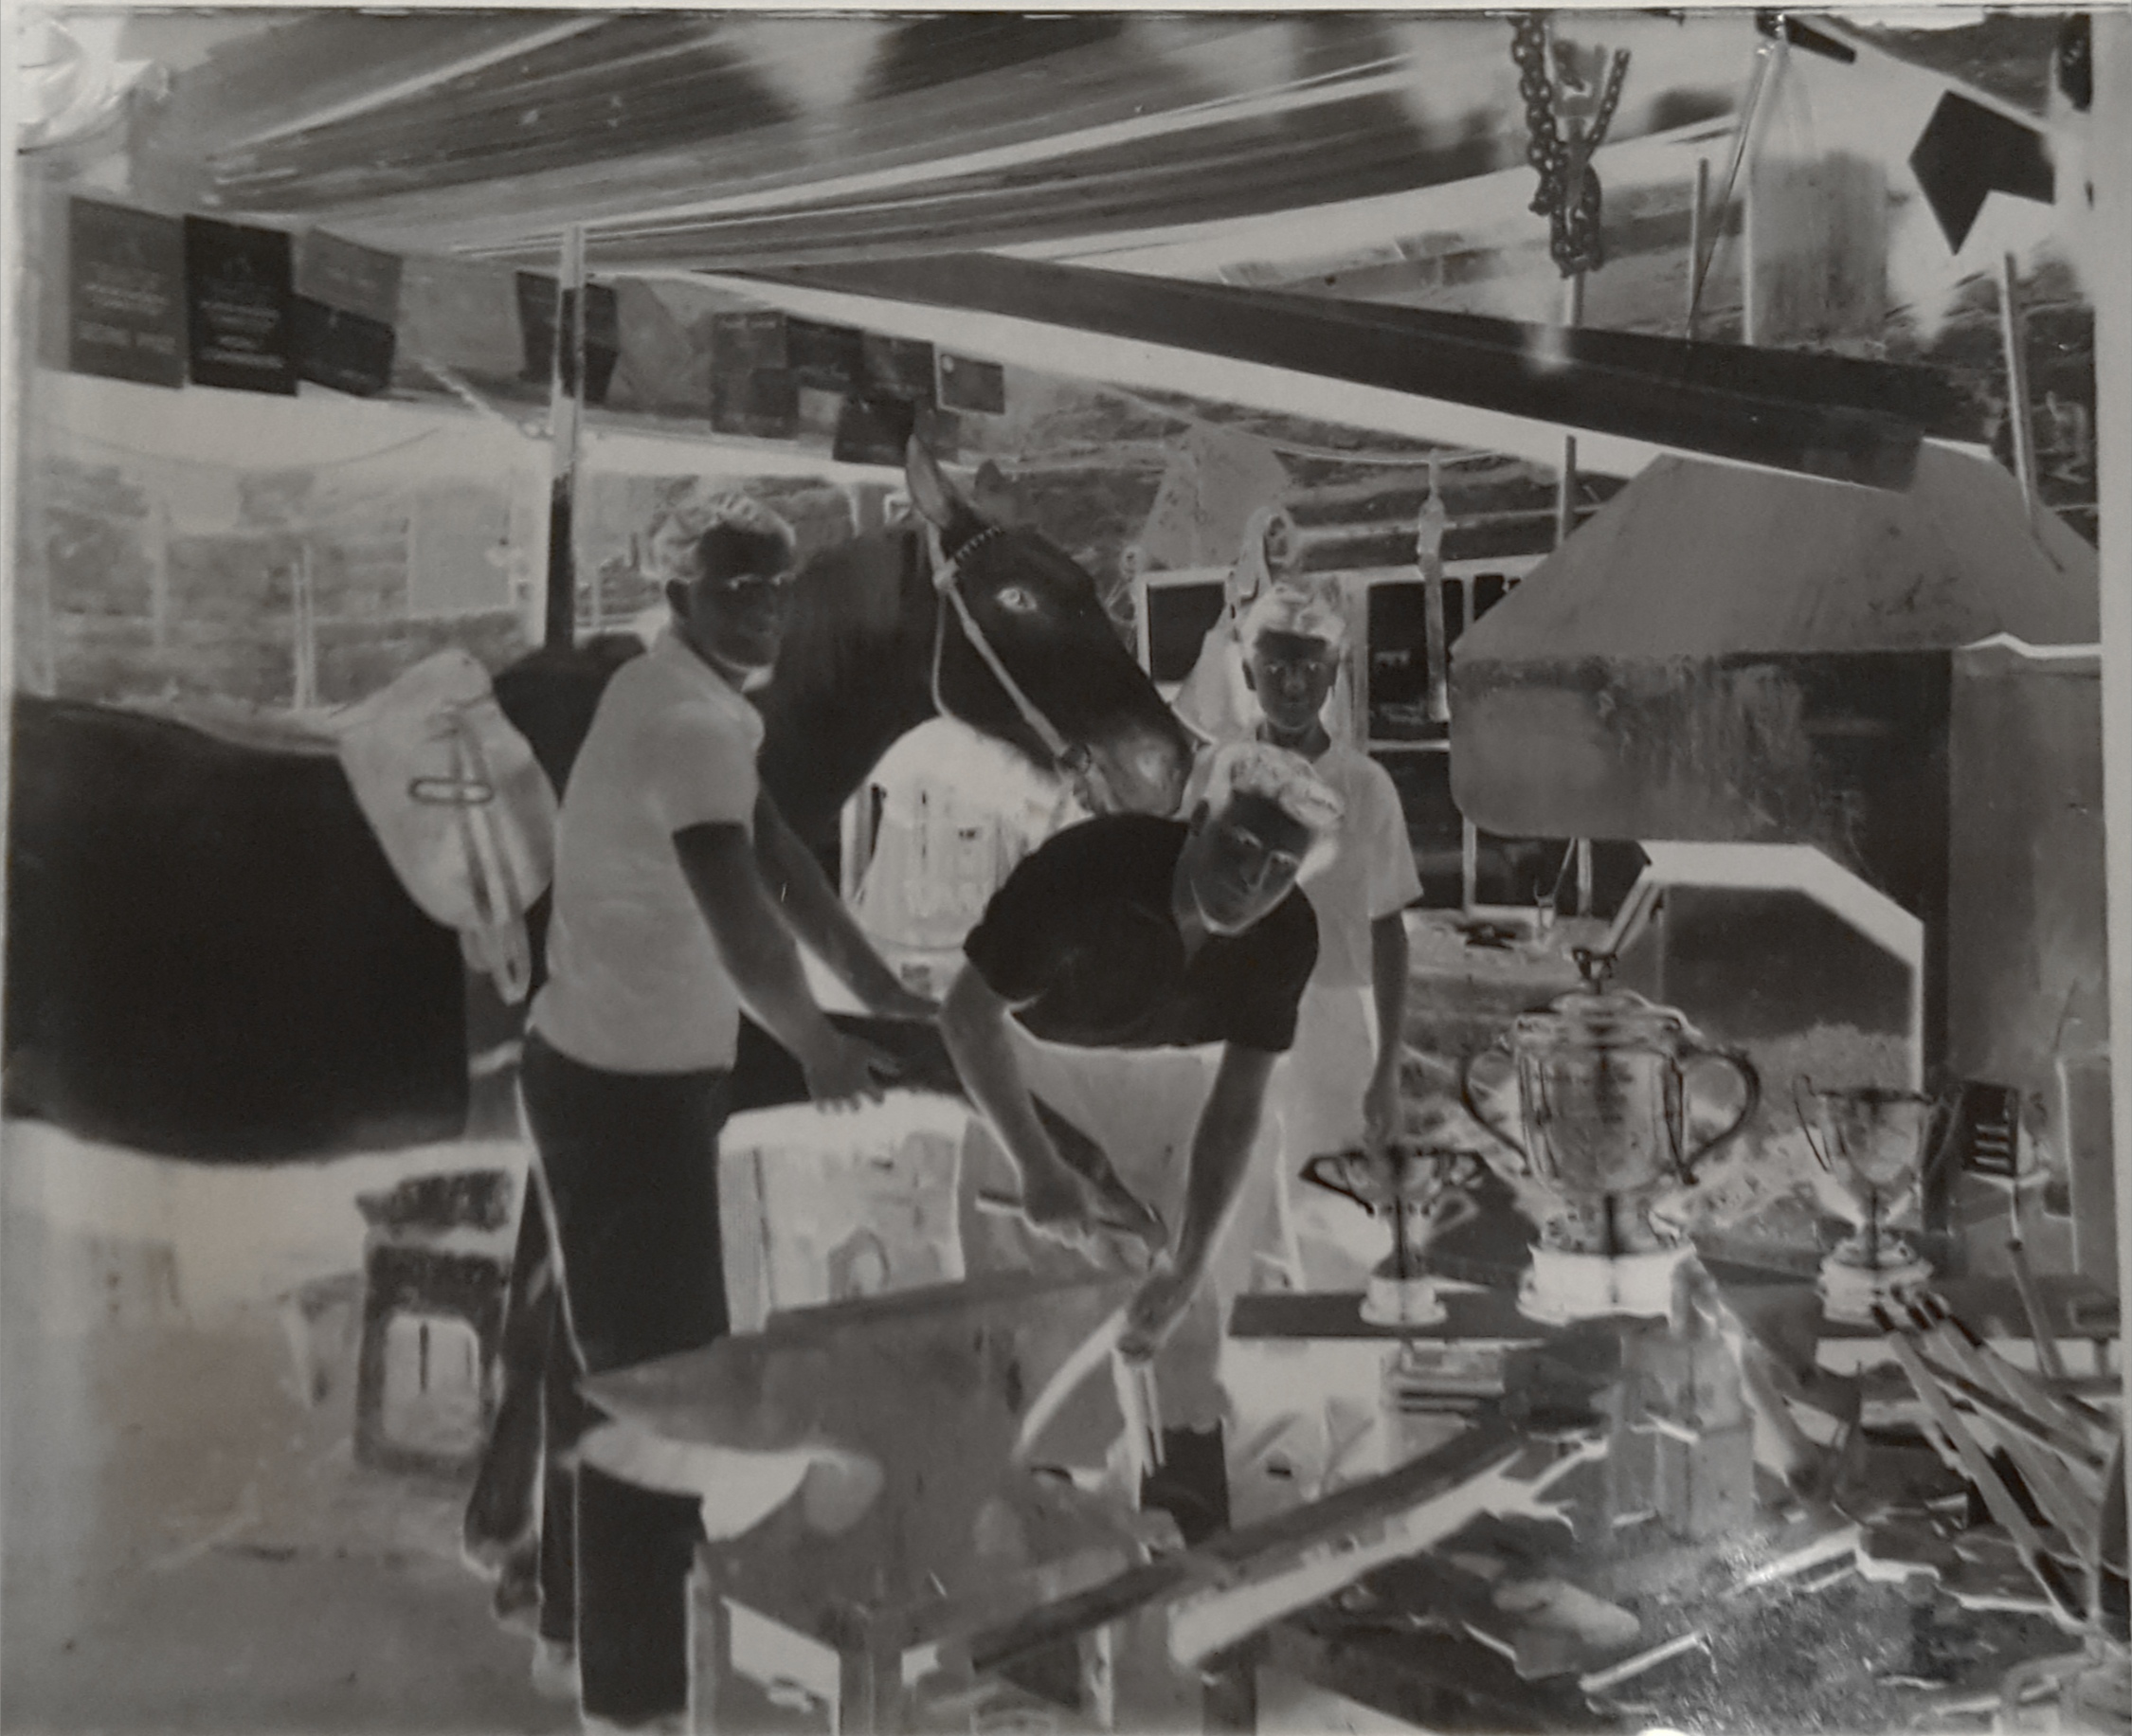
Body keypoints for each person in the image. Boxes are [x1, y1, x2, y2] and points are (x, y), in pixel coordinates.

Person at [521, 491, 931, 1734]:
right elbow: (740, 921)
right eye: (737, 587)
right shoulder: (685, 723)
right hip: (624, 1097)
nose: (762, 607)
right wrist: (817, 1048)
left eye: (775, 587)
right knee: (666, 1396)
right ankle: (632, 1705)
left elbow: (784, 864)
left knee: (599, 1368)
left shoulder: (693, 701)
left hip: (612, 1073)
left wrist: (878, 990)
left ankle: (567, 1629)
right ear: (681, 593)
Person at [940, 740, 1343, 1539]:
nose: (1254, 881)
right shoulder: (1084, 872)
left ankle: (1185, 1557)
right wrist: (1038, 1165)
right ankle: (1048, 1559)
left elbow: (1235, 1105)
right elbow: (964, 1017)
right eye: (1240, 848)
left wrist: (1188, 1264)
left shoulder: (1288, 933)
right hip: (1031, 1083)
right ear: (1197, 824)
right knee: (1043, 1334)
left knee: (1175, 1322)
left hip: (1169, 1095)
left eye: (1280, 868)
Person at [1212, 575, 1424, 1287]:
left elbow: (1389, 931)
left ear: (1334, 673)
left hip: (1331, 1029)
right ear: (1249, 671)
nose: (1292, 685)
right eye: (1274, 667)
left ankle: (1350, 1390)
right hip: (1226, 1024)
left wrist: (1386, 1068)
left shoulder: (1366, 787)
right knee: (1222, 1227)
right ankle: (1232, 1385)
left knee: (1336, 1239)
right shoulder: (1217, 775)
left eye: (1309, 668)